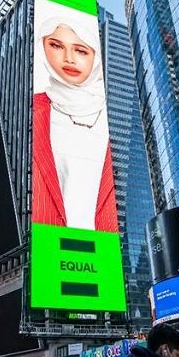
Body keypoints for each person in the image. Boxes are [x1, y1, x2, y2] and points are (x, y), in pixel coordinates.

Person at [31, 15, 117, 232]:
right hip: (48, 246)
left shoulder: (113, 116)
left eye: (80, 50)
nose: (69, 58)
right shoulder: (31, 109)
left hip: (105, 253)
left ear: (95, 56)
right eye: (56, 46)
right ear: (43, 46)